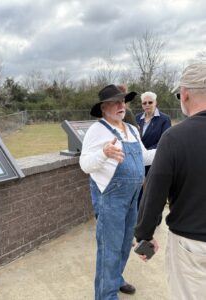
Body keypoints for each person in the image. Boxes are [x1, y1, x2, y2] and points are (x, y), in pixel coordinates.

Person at [134, 62, 206, 300]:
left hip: (192, 245)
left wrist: (144, 234)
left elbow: (155, 192)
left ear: (185, 94)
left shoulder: (174, 138)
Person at [79, 84, 155, 300]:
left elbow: (144, 157)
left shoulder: (131, 129)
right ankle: (106, 295)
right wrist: (104, 153)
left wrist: (166, 148)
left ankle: (115, 278)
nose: (121, 105)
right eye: (115, 102)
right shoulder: (97, 130)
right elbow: (84, 164)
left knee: (123, 246)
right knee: (109, 250)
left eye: (123, 101)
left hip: (132, 199)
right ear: (103, 107)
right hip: (110, 199)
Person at [135, 92, 171, 213]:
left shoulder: (164, 119)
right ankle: (139, 214)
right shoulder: (137, 118)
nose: (147, 105)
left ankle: (156, 216)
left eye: (150, 102)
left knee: (154, 190)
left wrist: (146, 153)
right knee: (138, 190)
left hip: (155, 159)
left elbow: (164, 140)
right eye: (144, 103)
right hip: (139, 160)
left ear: (156, 103)